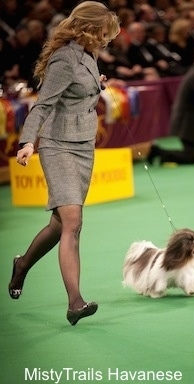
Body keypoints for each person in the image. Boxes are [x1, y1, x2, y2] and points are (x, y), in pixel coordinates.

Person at [8, 1, 120, 326]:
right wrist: (28, 142)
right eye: (102, 33)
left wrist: (94, 84)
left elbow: (79, 89)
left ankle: (22, 265)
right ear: (87, 30)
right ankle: (75, 303)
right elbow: (41, 107)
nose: (105, 40)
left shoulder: (88, 53)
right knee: (73, 221)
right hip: (58, 147)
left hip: (84, 144)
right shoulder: (63, 59)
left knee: (60, 225)